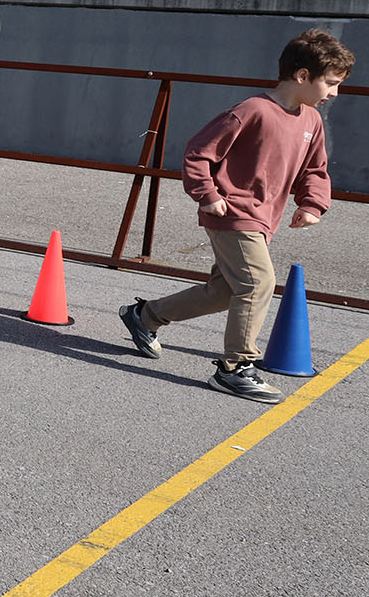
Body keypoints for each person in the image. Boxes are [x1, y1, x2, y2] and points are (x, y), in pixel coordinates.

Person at [120, 28, 355, 404]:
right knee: (258, 283)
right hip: (232, 213)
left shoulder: (310, 121)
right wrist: (208, 195)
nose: (334, 93)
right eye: (331, 83)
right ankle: (235, 369)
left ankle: (145, 316)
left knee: (225, 291)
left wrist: (312, 204)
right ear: (302, 76)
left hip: (264, 220)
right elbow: (199, 152)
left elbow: (315, 170)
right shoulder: (253, 110)